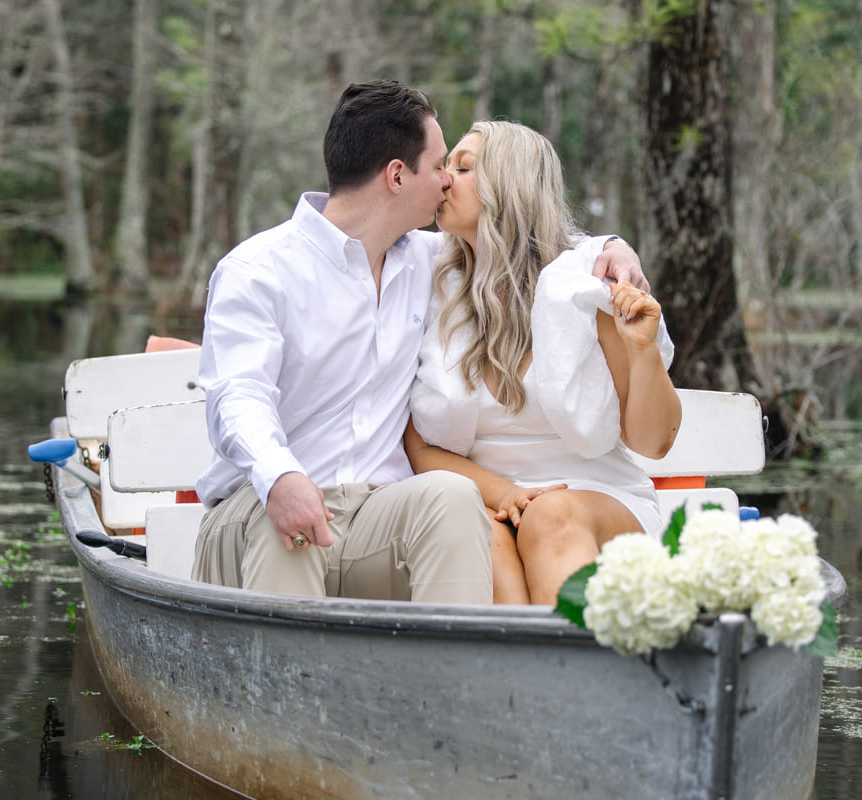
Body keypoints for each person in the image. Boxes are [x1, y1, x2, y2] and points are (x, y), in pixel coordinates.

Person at [190, 82, 646, 604]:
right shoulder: (258, 270)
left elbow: (529, 243)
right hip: (259, 506)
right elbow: (237, 397)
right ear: (397, 175)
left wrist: (613, 249)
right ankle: (288, 684)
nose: (448, 181)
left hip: (374, 519)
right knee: (288, 526)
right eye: (438, 168)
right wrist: (281, 475)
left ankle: (455, 678)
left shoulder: (428, 260)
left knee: (452, 498)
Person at [405, 121, 683, 605]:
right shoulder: (426, 284)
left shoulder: (586, 287)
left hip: (595, 501)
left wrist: (641, 351)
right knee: (472, 530)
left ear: (509, 186)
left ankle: (570, 669)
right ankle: (526, 677)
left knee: (551, 515)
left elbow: (652, 442)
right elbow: (418, 445)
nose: (444, 178)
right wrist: (505, 496)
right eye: (445, 165)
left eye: (463, 167)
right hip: (489, 500)